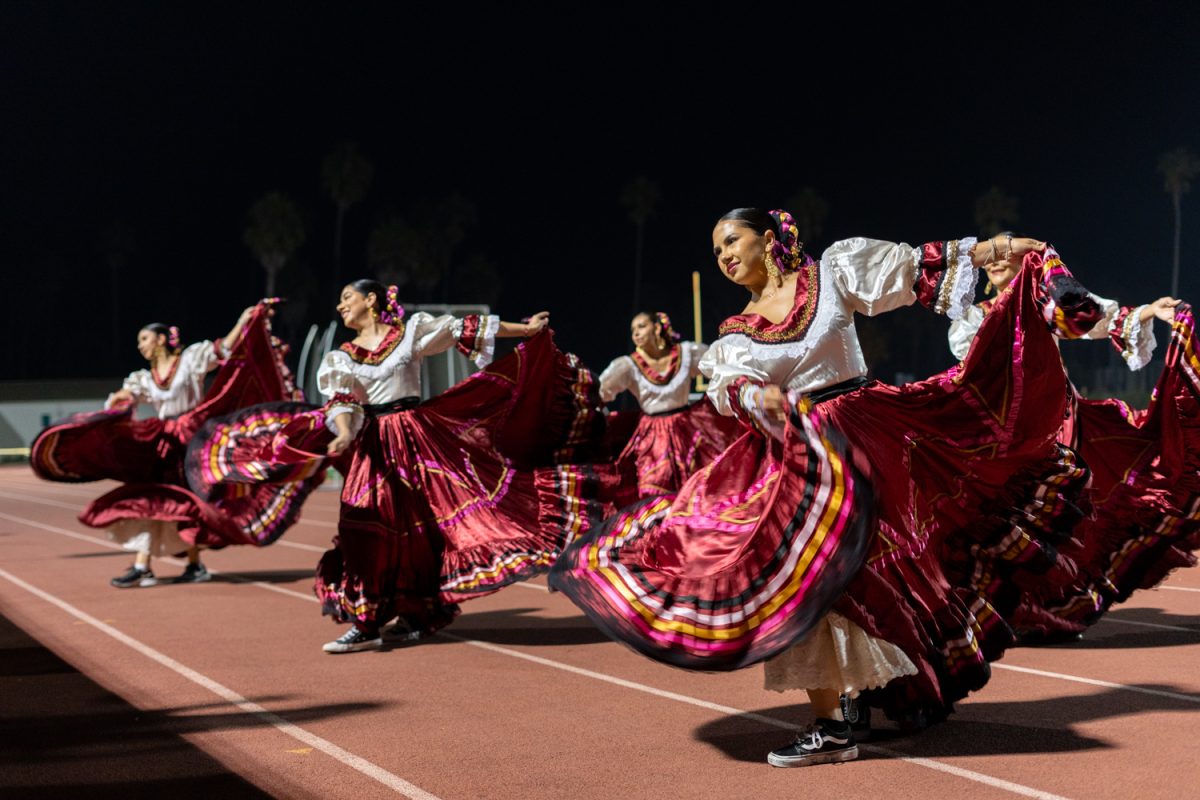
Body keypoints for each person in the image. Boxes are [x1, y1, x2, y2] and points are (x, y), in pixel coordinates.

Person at [552, 209, 1101, 768]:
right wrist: (752, 396)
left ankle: (857, 704)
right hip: (804, 449)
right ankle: (834, 720)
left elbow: (911, 269)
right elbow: (727, 386)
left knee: (876, 568)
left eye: (731, 240)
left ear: (768, 239)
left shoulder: (833, 270)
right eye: (715, 251)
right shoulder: (734, 334)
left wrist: (997, 248)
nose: (723, 256)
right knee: (808, 574)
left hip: (870, 429)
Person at [192, 280, 607, 654]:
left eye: (347, 298)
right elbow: (343, 403)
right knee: (362, 524)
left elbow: (467, 328)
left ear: (370, 301)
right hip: (373, 441)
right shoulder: (341, 358)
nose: (340, 306)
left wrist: (527, 330)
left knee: (425, 529)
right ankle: (368, 619)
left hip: (418, 439)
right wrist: (341, 433)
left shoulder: (411, 332)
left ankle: (413, 613)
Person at [948, 237, 1196, 641]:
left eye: (1008, 254)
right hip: (1005, 432)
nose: (998, 261)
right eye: (992, 256)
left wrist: (1150, 310)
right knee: (1009, 520)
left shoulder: (1049, 305)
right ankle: (1003, 608)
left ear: (1026, 261)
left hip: (1060, 423)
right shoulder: (973, 318)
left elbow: (1096, 318)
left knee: (1067, 519)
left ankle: (1053, 613)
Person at [32, 301, 313, 587]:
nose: (140, 346)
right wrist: (118, 401)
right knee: (156, 499)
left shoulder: (190, 360)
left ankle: (183, 564)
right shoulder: (144, 378)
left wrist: (244, 319)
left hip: (195, 444)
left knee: (191, 502)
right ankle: (151, 564)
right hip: (163, 444)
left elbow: (224, 348)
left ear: (162, 339)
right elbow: (128, 393)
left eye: (144, 339)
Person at [596, 310, 743, 504]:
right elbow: (601, 392)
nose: (636, 334)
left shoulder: (686, 353)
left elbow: (719, 367)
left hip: (687, 428)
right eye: (633, 330)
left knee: (699, 485)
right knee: (655, 487)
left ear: (656, 328)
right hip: (652, 434)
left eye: (641, 326)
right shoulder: (628, 365)